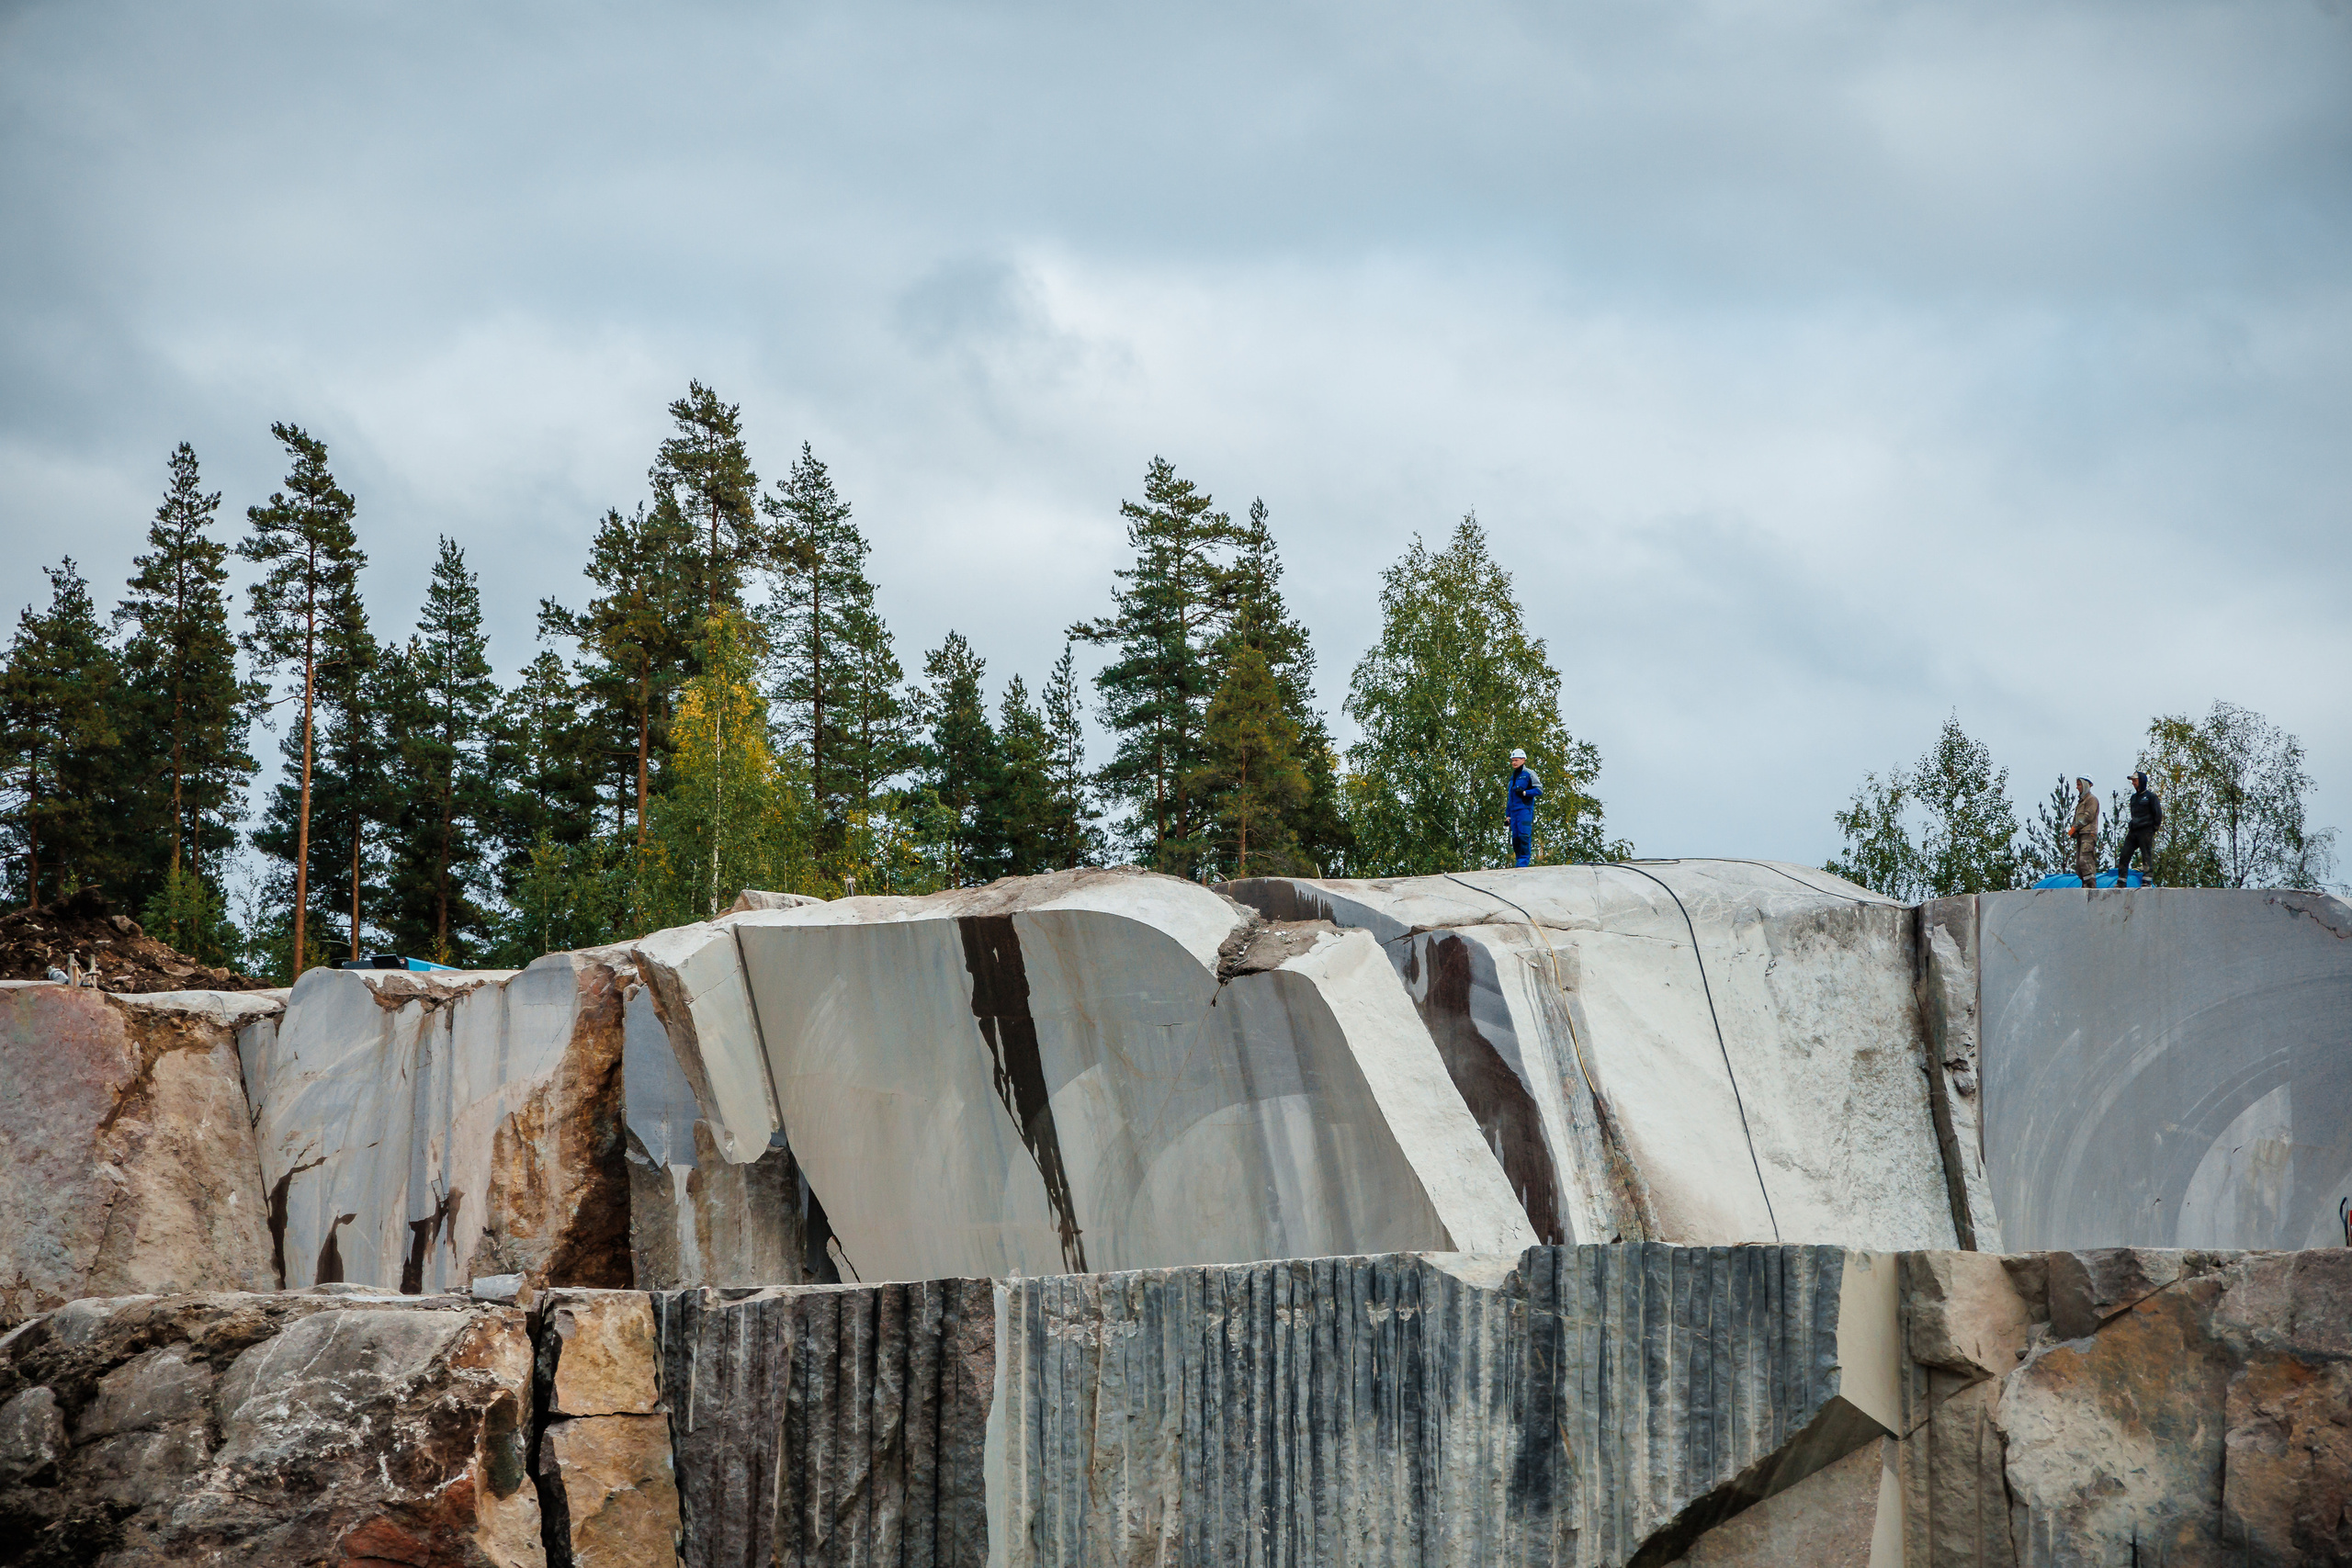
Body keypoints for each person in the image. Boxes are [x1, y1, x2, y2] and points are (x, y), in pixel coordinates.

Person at [2117, 770, 2163, 885]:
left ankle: (2147, 879)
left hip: (2146, 830)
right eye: (2132, 781)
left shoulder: (2151, 797)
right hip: (2134, 830)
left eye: (2135, 780)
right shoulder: (2133, 798)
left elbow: (2158, 814)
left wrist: (2154, 828)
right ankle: (2122, 880)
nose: (2133, 783)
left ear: (2141, 781)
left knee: (2146, 854)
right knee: (2125, 854)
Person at [1505, 747, 1544, 868]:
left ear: (1523, 760)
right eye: (1512, 760)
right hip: (1514, 812)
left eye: (1516, 760)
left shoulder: (1529, 774)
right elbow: (1510, 798)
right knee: (1515, 839)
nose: (1514, 763)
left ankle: (1523, 863)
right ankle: (1518, 862)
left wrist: (1525, 793)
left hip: (1524, 810)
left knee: (1523, 836)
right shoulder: (1512, 778)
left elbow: (1539, 789)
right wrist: (1508, 815)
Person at [2068, 777, 2100, 886]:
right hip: (2081, 835)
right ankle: (2085, 884)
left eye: (2079, 785)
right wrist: (2074, 828)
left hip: (2088, 834)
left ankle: (2091, 886)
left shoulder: (2092, 800)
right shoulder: (2080, 802)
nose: (2077, 787)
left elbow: (2088, 816)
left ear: (2086, 785)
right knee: (2079, 864)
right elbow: (2077, 817)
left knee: (2085, 860)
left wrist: (2076, 827)